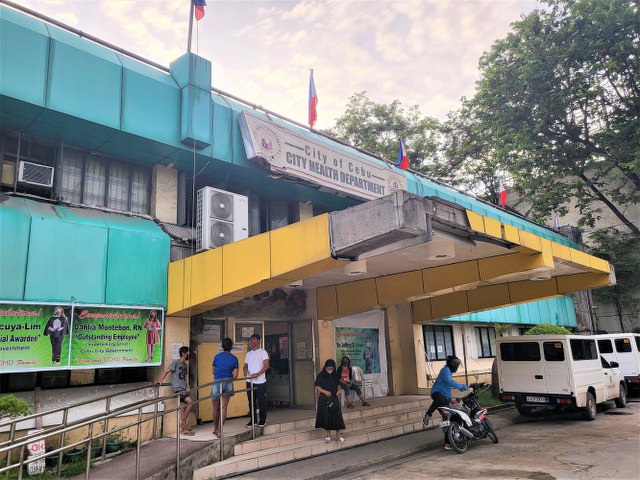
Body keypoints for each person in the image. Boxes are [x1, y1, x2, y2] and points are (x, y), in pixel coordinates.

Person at [422, 355, 469, 450]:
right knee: (440, 400)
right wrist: (461, 387)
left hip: (445, 398)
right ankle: (428, 414)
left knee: (449, 419)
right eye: (456, 365)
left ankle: (448, 442)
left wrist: (451, 400)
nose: (456, 367)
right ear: (453, 365)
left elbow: (447, 388)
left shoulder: (448, 371)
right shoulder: (445, 370)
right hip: (437, 393)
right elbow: (450, 381)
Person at [157, 346, 194, 436]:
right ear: (183, 354)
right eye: (188, 352)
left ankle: (184, 429)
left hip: (183, 388)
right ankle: (183, 423)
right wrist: (161, 380)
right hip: (178, 388)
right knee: (191, 403)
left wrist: (187, 386)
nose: (189, 354)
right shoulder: (176, 363)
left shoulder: (185, 365)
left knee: (183, 407)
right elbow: (166, 371)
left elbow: (184, 378)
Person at [211, 337, 238, 438]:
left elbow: (213, 371)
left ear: (222, 346)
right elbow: (235, 375)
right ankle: (220, 431)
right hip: (228, 382)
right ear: (231, 347)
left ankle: (215, 429)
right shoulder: (234, 359)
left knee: (215, 407)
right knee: (223, 407)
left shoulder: (217, 357)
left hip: (217, 382)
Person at [314, 359, 346, 443]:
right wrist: (324, 392)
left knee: (337, 415)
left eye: (331, 368)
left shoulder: (335, 374)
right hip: (324, 398)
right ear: (325, 367)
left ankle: (338, 435)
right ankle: (327, 435)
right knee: (326, 416)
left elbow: (338, 384)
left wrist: (339, 390)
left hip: (334, 397)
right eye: (328, 368)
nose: (330, 370)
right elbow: (317, 386)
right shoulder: (321, 375)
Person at [243, 333, 269, 428]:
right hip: (250, 382)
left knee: (261, 401)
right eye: (251, 340)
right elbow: (245, 365)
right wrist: (245, 370)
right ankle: (253, 420)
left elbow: (266, 365)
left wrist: (258, 374)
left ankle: (262, 420)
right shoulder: (248, 354)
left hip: (260, 381)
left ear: (258, 341)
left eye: (254, 340)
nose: (252, 342)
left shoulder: (263, 352)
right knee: (251, 402)